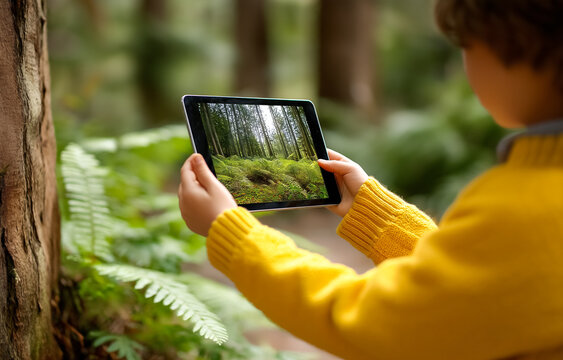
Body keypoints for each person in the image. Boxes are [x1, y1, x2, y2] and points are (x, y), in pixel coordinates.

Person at [178, 1, 563, 359]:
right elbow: (477, 288)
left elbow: (365, 319)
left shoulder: (520, 209)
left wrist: (230, 232)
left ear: (515, 48)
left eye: (467, 45)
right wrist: (375, 214)